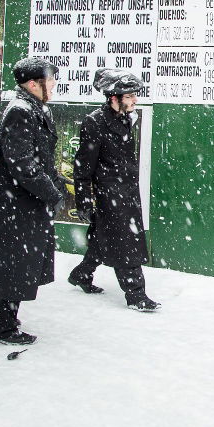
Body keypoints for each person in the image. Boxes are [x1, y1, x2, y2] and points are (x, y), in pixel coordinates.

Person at [0, 57, 63, 345]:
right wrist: (50, 192)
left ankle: (2, 310)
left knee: (23, 263)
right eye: (49, 79)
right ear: (32, 84)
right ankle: (2, 326)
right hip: (14, 204)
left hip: (27, 202)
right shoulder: (20, 111)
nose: (53, 83)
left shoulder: (36, 109)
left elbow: (43, 158)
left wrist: (56, 186)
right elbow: (23, 164)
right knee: (17, 263)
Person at [66, 69, 159, 311]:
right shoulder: (95, 122)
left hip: (126, 191)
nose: (135, 100)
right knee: (126, 242)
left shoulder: (124, 118)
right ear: (114, 97)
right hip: (110, 195)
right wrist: (84, 200)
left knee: (103, 237)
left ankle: (82, 274)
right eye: (130, 96)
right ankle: (136, 294)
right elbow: (83, 165)